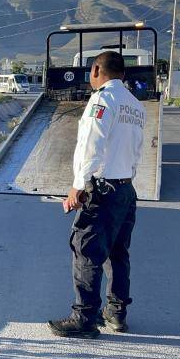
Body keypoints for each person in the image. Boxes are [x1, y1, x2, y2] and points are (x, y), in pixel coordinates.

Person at [47, 51, 145, 339]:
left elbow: (92, 144)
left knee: (86, 250)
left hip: (102, 189)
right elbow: (138, 150)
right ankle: (116, 313)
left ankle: (84, 318)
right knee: (117, 252)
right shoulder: (134, 105)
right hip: (126, 188)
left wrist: (78, 185)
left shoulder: (103, 99)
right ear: (123, 74)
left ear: (96, 70)